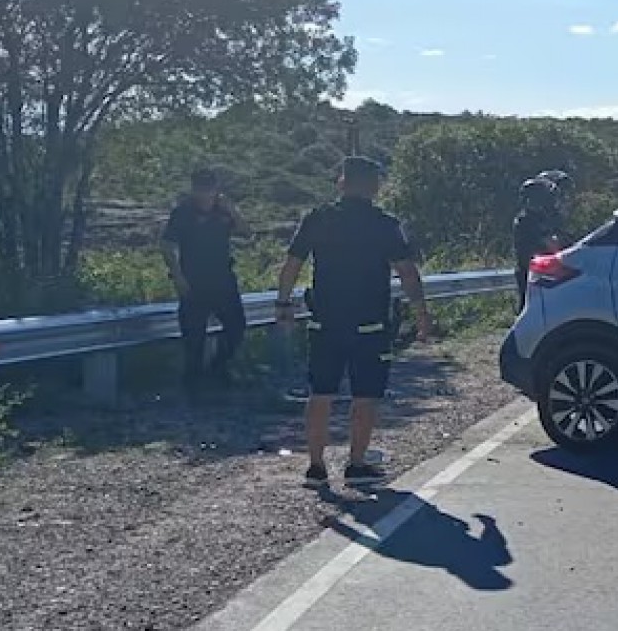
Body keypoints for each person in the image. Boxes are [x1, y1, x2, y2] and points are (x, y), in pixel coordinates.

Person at [275, 157, 431, 487]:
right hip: (370, 324)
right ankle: (356, 465)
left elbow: (291, 265)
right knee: (365, 396)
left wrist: (283, 304)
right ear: (373, 186)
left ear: (341, 182)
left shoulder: (318, 218)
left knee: (320, 394)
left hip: (325, 322)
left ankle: (316, 467)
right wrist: (421, 314)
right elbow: (406, 272)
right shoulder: (384, 223)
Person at [161, 168, 247, 389]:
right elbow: (167, 244)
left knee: (237, 328)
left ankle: (218, 369)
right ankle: (194, 388)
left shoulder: (223, 211)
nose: (205, 194)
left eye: (209, 189)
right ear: (194, 189)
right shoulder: (182, 213)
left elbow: (246, 232)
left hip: (223, 281)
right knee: (193, 340)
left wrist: (233, 211)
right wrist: (177, 276)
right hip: (194, 283)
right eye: (201, 188)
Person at [512, 176, 565, 310]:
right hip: (533, 274)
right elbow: (552, 245)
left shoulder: (538, 219)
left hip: (540, 272)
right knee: (532, 311)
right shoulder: (528, 221)